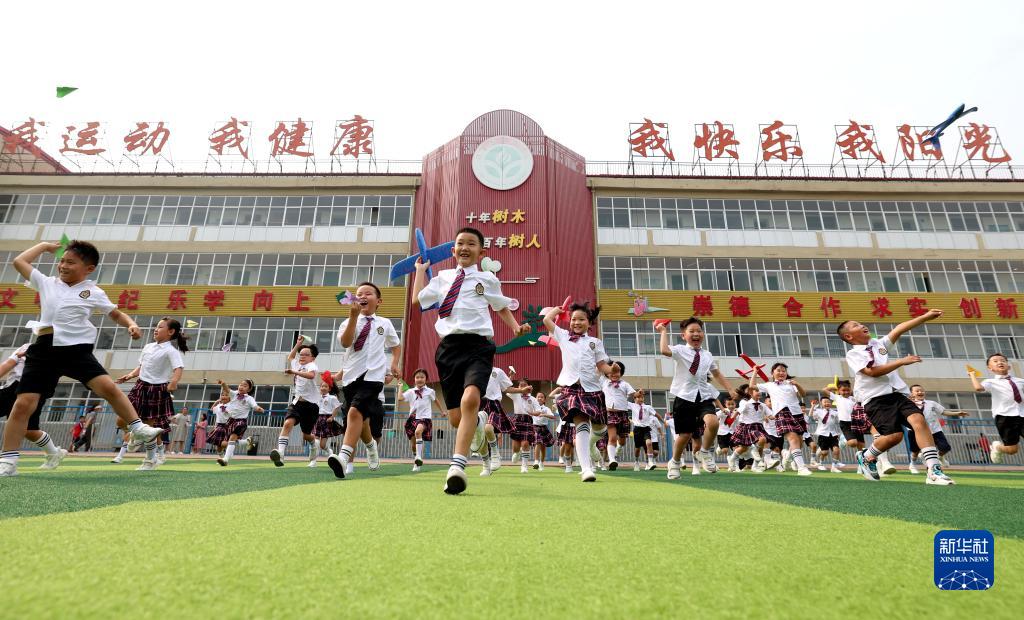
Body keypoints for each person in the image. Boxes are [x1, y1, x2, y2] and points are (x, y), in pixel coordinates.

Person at [0, 240, 163, 476]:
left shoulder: (93, 291)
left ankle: (138, 428)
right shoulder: (46, 283)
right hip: (44, 349)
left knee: (108, 387)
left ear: (89, 268)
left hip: (76, 350)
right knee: (23, 404)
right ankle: (8, 460)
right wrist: (44, 246)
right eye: (62, 261)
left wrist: (131, 324)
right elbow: (19, 261)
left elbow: (115, 313)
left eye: (71, 262)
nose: (63, 266)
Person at [411, 227, 528, 494]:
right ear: (453, 250)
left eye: (471, 244)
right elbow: (418, 302)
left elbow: (500, 306)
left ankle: (457, 467)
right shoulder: (442, 278)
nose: (465, 247)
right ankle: (477, 422)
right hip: (448, 349)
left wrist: (515, 327)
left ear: (481, 252)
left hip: (478, 346)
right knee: (456, 418)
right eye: (460, 243)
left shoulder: (487, 279)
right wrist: (419, 272)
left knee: (470, 399)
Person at [837, 310, 954, 485]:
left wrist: (925, 317)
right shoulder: (853, 354)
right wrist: (901, 361)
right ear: (848, 336)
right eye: (856, 325)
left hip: (897, 394)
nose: (862, 325)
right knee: (894, 437)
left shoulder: (878, 344)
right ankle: (867, 457)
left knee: (919, 421)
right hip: (875, 399)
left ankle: (933, 470)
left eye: (860, 323)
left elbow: (899, 329)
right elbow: (872, 372)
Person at [327, 282, 401, 479]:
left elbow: (395, 345)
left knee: (354, 412)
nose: (363, 296)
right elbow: (346, 343)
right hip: (351, 377)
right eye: (359, 294)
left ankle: (343, 458)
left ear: (378, 301)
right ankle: (371, 447)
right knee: (363, 422)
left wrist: (394, 363)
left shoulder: (384, 323)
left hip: (374, 377)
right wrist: (353, 317)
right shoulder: (348, 322)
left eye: (368, 293)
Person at [658, 317, 736, 480]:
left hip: (703, 396)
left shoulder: (707, 355)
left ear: (703, 334)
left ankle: (705, 452)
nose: (696, 334)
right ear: (683, 335)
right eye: (691, 331)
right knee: (685, 435)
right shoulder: (680, 350)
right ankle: (675, 462)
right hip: (684, 396)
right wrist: (663, 331)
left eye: (699, 331)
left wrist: (729, 388)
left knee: (713, 423)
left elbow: (716, 373)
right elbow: (664, 350)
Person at [546, 301, 614, 483]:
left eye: (581, 319)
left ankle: (592, 444)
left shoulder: (595, 342)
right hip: (572, 389)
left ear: (589, 322)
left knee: (600, 428)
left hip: (592, 389)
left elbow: (602, 365)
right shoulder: (563, 336)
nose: (576, 322)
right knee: (581, 424)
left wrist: (612, 370)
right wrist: (556, 311)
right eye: (574, 319)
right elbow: (546, 320)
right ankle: (586, 469)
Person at [115, 317, 188, 470]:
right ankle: (135, 434)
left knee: (149, 428)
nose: (156, 329)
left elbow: (178, 368)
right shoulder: (148, 347)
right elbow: (141, 366)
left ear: (170, 332)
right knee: (121, 420)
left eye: (160, 327)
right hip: (140, 386)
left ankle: (149, 461)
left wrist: (174, 382)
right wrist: (129, 375)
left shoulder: (171, 351)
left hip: (157, 390)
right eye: (156, 326)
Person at [0, 343, 68, 470]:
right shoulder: (28, 346)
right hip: (13, 388)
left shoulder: (63, 350)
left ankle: (53, 453)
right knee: (26, 429)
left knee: (29, 431)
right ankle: (53, 453)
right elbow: (8, 364)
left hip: (35, 391)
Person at [753, 363, 813, 476]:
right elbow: (752, 386)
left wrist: (797, 384)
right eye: (778, 370)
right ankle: (801, 468)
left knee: (799, 442)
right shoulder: (769, 385)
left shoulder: (791, 384)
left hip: (796, 413)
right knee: (793, 439)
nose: (781, 373)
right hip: (782, 412)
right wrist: (755, 371)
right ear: (773, 373)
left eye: (784, 371)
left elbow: (803, 394)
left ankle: (787, 455)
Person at [270, 336, 322, 467]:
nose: (302, 356)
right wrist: (298, 344)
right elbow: (291, 357)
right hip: (297, 402)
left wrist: (294, 371)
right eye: (301, 354)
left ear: (312, 357)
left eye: (306, 354)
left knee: (306, 435)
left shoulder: (312, 366)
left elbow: (311, 375)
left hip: (311, 405)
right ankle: (281, 454)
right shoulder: (297, 364)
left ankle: (313, 444)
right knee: (288, 423)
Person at [970, 353, 1023, 464]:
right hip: (1005, 417)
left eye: (1003, 360)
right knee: (1012, 450)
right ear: (990, 368)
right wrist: (972, 375)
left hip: (1022, 414)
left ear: (1009, 366)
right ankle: (998, 447)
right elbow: (978, 388)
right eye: (995, 361)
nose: (1000, 362)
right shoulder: (990, 382)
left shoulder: (1020, 381)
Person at [906, 385, 966, 472]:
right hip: (915, 431)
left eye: (922, 390)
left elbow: (943, 411)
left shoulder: (931, 403)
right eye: (917, 391)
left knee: (945, 447)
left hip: (934, 430)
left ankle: (939, 457)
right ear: (911, 393)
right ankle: (912, 464)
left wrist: (957, 413)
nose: (920, 392)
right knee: (915, 451)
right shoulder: (908, 404)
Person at [215, 379, 264, 466]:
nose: (241, 387)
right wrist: (223, 383)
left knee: (232, 439)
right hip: (231, 421)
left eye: (245, 386)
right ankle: (246, 442)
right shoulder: (234, 394)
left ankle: (225, 460)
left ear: (249, 389)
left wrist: (259, 409)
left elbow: (255, 406)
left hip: (241, 421)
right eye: (241, 385)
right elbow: (227, 389)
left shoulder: (249, 398)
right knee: (231, 440)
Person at [402, 369, 442, 472]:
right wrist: (399, 387)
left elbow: (436, 400)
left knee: (418, 432)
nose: (420, 379)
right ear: (414, 379)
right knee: (413, 446)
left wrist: (442, 411)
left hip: (425, 418)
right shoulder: (410, 391)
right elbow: (400, 399)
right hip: (412, 418)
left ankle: (419, 457)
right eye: (417, 377)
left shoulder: (430, 391)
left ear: (426, 379)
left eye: (422, 377)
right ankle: (417, 459)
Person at [601, 361, 635, 470]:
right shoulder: (603, 382)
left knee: (622, 441)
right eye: (612, 372)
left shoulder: (625, 384)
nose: (614, 374)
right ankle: (612, 460)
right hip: (609, 414)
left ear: (621, 373)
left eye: (617, 372)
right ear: (607, 373)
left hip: (623, 414)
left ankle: (617, 450)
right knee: (612, 438)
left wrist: (638, 394)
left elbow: (633, 393)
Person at [312, 377, 344, 467]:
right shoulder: (317, 397)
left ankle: (328, 450)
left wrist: (332, 417)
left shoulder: (332, 398)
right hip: (318, 419)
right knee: (315, 442)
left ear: (329, 389)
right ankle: (313, 461)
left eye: (325, 386)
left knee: (322, 445)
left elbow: (336, 407)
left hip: (326, 420)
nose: (323, 388)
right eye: (322, 386)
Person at [808, 398, 842, 473]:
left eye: (828, 402)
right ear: (821, 404)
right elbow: (810, 416)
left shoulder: (834, 412)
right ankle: (821, 463)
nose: (827, 403)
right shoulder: (818, 411)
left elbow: (840, 419)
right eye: (825, 402)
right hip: (823, 434)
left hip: (833, 434)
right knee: (824, 453)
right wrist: (812, 406)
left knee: (836, 450)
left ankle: (834, 467)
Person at [530, 391, 557, 470]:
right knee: (538, 442)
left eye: (541, 397)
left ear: (544, 400)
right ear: (535, 398)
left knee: (543, 447)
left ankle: (541, 462)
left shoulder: (546, 409)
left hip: (544, 428)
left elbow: (553, 416)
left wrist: (544, 414)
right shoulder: (533, 407)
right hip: (535, 427)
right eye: (538, 397)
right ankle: (536, 461)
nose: (539, 398)